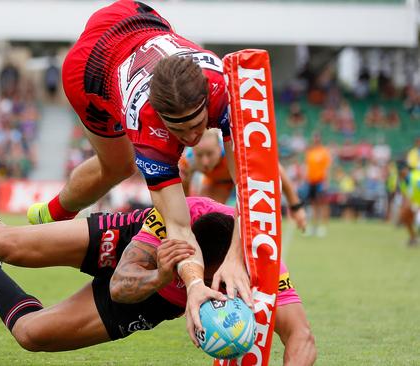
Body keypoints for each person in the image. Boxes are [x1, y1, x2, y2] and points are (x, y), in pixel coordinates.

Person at [0, 196, 316, 365]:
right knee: (13, 244)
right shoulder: (176, 221)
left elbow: (301, 337)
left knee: (31, 336)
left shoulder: (263, 265)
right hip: (135, 256)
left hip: (158, 300)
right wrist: (167, 273)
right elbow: (124, 282)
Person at [23, 0, 247, 339]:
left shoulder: (227, 89)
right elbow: (177, 224)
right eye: (178, 129)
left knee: (238, 165)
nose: (190, 138)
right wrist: (195, 284)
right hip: (90, 67)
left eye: (197, 125)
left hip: (133, 16)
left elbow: (251, 185)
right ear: (159, 118)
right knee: (118, 167)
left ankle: (53, 216)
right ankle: (54, 214)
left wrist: (235, 258)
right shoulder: (147, 130)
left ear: (207, 101)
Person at [179, 129, 307, 231]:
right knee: (204, 222)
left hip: (244, 178)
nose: (205, 161)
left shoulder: (236, 152)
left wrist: (295, 206)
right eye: (199, 155)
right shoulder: (187, 162)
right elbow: (186, 200)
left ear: (219, 147)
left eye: (210, 154)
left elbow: (275, 168)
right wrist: (185, 183)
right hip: (217, 183)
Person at [304, 133, 332, 237]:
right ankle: (313, 227)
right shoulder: (310, 152)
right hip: (311, 181)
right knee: (313, 204)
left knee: (322, 204)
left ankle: (322, 227)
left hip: (320, 181)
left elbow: (327, 168)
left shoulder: (324, 152)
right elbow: (308, 167)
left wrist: (326, 182)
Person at [398, 161, 420, 246]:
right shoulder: (402, 182)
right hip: (415, 204)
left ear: (406, 170)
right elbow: (406, 196)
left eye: (402, 170)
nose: (401, 172)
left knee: (419, 222)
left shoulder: (416, 178)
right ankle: (413, 238)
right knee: (404, 216)